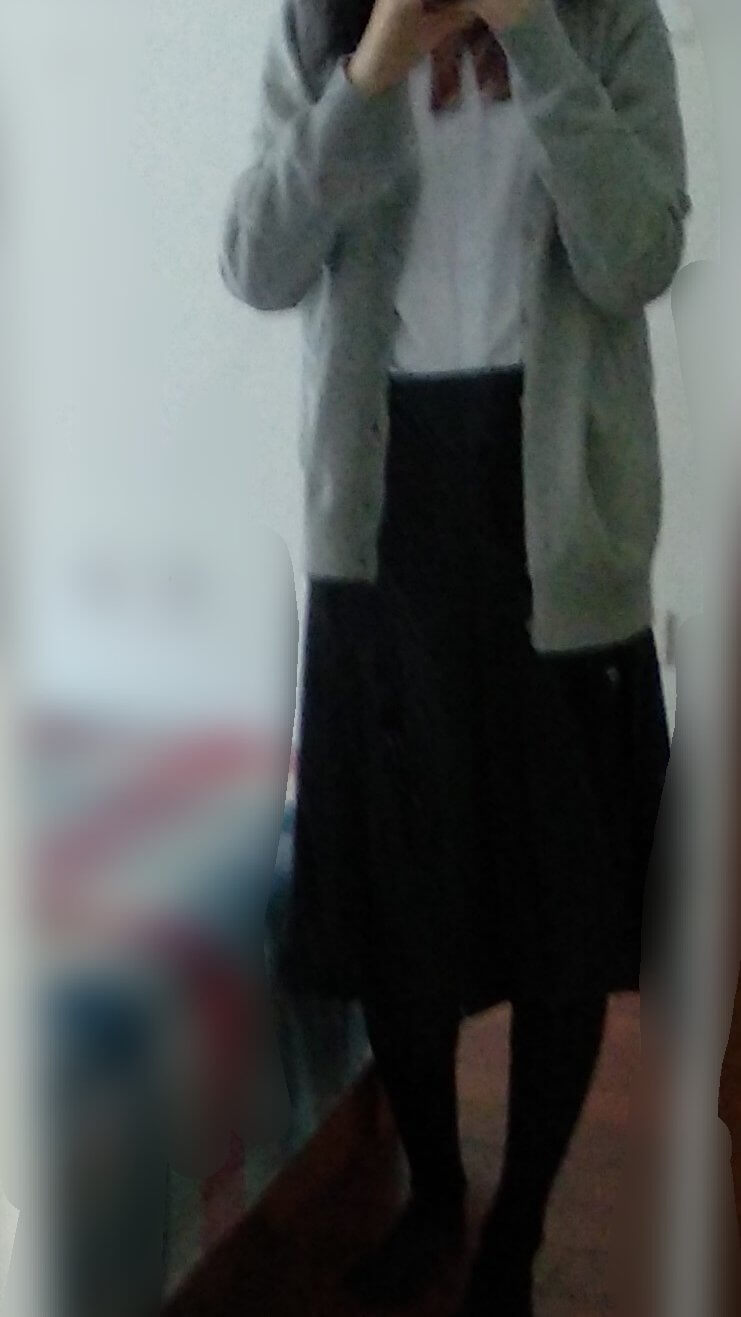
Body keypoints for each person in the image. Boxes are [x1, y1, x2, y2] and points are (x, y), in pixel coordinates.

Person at [220, 0, 688, 1310]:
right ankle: (436, 1194)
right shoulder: (322, 25)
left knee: (564, 909)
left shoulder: (607, 20)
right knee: (400, 907)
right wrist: (367, 76)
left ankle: (515, 1232)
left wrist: (532, 37)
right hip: (382, 519)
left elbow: (636, 256)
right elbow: (256, 261)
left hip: (559, 514)